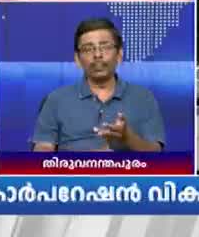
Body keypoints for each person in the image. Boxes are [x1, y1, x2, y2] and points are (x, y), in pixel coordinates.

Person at [32, 18, 166, 152]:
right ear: (77, 59)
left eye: (105, 47)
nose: (97, 55)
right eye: (88, 49)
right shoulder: (56, 100)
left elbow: (157, 154)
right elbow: (42, 149)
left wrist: (128, 138)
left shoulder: (143, 97)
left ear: (119, 54)